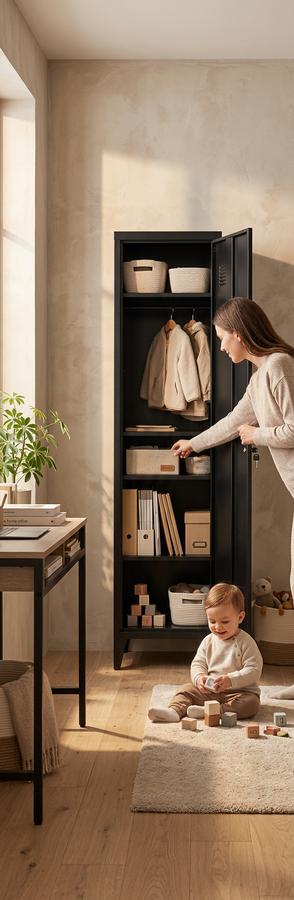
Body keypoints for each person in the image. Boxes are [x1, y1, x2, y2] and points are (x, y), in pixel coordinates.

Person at [171, 296, 294, 700]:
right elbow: (233, 422)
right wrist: (195, 443)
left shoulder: (278, 366)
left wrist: (257, 436)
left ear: (240, 335)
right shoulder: (259, 377)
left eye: (224, 338)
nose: (221, 347)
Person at [148, 582, 263, 722]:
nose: (218, 627)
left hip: (239, 693)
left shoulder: (246, 642)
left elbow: (254, 670)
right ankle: (174, 711)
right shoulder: (208, 641)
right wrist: (200, 678)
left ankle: (212, 712)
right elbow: (198, 663)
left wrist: (231, 680)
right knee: (185, 689)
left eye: (225, 621)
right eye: (212, 621)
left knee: (251, 704)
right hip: (210, 692)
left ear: (240, 617)